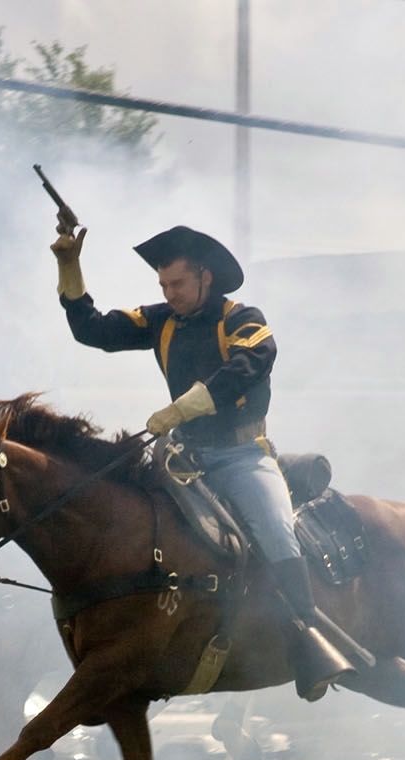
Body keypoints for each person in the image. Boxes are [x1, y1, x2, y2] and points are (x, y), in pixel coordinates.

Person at [52, 221, 369, 701]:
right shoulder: (159, 319)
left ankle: (308, 639)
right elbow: (92, 330)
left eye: (176, 284)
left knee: (277, 531)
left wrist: (179, 409)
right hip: (184, 457)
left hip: (243, 457)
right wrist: (69, 264)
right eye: (163, 286)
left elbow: (243, 370)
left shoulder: (244, 319)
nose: (169, 293)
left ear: (205, 277)